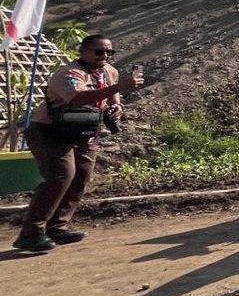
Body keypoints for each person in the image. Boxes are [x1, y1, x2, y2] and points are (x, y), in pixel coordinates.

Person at [13, 35, 144, 252]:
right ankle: (31, 232)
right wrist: (119, 87)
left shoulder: (110, 72)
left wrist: (117, 108)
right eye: (99, 52)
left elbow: (115, 99)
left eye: (109, 53)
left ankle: (58, 226)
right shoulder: (70, 73)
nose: (105, 56)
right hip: (51, 131)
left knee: (81, 176)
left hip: (84, 130)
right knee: (60, 176)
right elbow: (77, 98)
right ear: (83, 51)